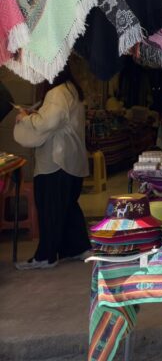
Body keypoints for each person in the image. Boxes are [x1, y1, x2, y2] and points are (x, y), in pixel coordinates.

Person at [13, 68, 91, 269]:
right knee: (67, 206)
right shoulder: (70, 89)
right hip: (70, 160)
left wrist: (25, 118)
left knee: (50, 208)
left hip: (56, 161)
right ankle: (76, 248)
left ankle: (46, 256)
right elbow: (55, 119)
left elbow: (49, 121)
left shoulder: (56, 93)